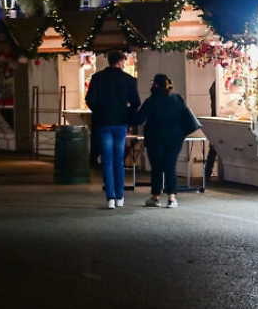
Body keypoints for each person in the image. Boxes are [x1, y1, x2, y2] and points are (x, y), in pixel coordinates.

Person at [85, 50, 141, 209]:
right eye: (124, 61)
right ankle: (120, 196)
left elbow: (90, 100)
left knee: (107, 161)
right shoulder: (128, 80)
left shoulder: (98, 78)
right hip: (121, 124)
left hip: (103, 123)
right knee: (118, 161)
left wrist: (99, 111)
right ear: (120, 62)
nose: (124, 64)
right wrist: (127, 112)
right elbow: (136, 102)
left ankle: (110, 198)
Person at [134, 74, 198, 208]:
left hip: (155, 139)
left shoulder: (151, 101)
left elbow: (138, 119)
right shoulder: (177, 99)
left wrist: (128, 110)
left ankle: (155, 196)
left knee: (157, 167)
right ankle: (171, 198)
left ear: (156, 85)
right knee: (170, 165)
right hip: (175, 139)